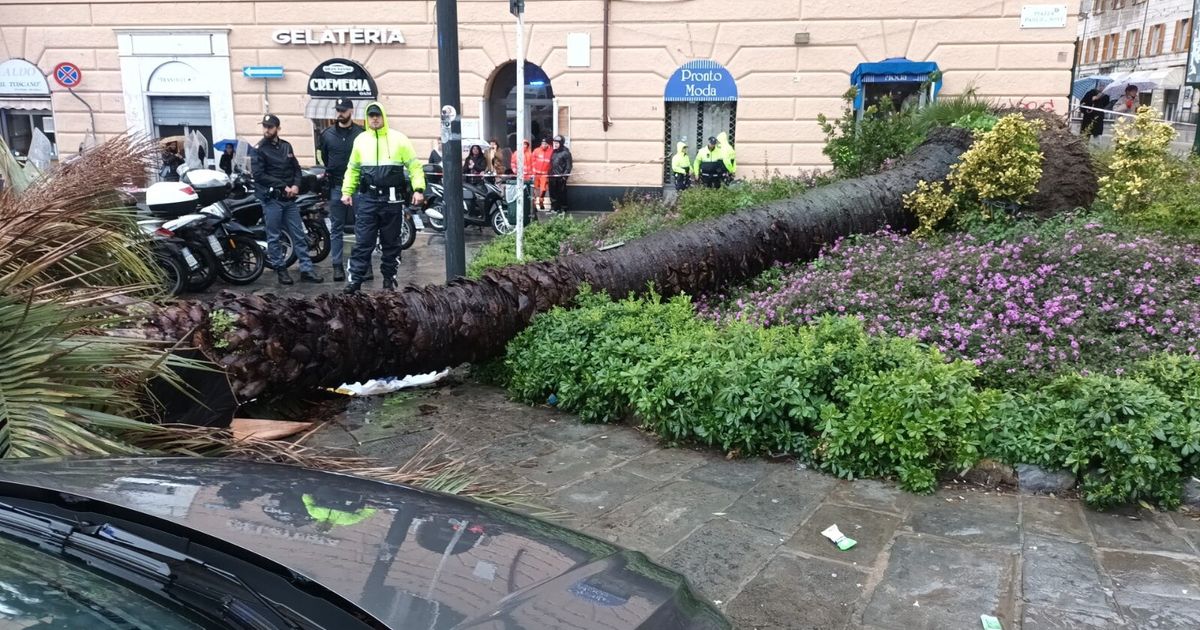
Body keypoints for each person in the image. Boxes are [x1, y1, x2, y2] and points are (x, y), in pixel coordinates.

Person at [341, 101, 425, 294]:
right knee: (363, 243)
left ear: (383, 116)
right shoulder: (361, 140)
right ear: (367, 118)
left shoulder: (399, 139)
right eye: (371, 115)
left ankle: (389, 280)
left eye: (377, 115)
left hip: (392, 199)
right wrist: (347, 191)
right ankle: (355, 282)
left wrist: (418, 189)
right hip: (368, 200)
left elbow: (414, 166)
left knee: (391, 243)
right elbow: (352, 169)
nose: (375, 118)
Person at [252, 114, 323, 285]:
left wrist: (297, 185)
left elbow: (296, 169)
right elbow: (259, 175)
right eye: (264, 127)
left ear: (278, 128)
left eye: (270, 127)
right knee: (274, 236)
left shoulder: (286, 146)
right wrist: (282, 185)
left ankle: (306, 269)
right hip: (272, 199)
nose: (266, 130)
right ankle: (280, 269)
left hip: (289, 199)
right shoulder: (259, 149)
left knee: (299, 234)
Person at [318, 98, 365, 282]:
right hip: (337, 185)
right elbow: (324, 157)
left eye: (343, 110)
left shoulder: (361, 134)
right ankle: (337, 266)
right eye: (338, 110)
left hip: (358, 187)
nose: (340, 113)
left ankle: (363, 265)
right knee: (336, 228)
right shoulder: (327, 134)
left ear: (351, 111)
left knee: (362, 226)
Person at [549, 134, 572, 213]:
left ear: (561, 143)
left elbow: (568, 166)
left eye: (557, 143)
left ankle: (563, 208)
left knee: (561, 193)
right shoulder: (554, 152)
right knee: (553, 193)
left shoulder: (566, 153)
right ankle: (554, 207)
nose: (555, 144)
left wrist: (564, 177)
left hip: (561, 177)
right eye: (554, 143)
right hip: (552, 176)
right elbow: (551, 164)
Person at [531, 137, 552, 210]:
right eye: (542, 143)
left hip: (544, 174)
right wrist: (533, 171)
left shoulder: (551, 152)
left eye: (545, 144)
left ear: (548, 144)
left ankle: (541, 202)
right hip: (536, 173)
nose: (543, 145)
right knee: (534, 189)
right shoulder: (536, 151)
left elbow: (551, 163)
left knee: (543, 189)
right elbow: (532, 161)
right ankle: (533, 205)